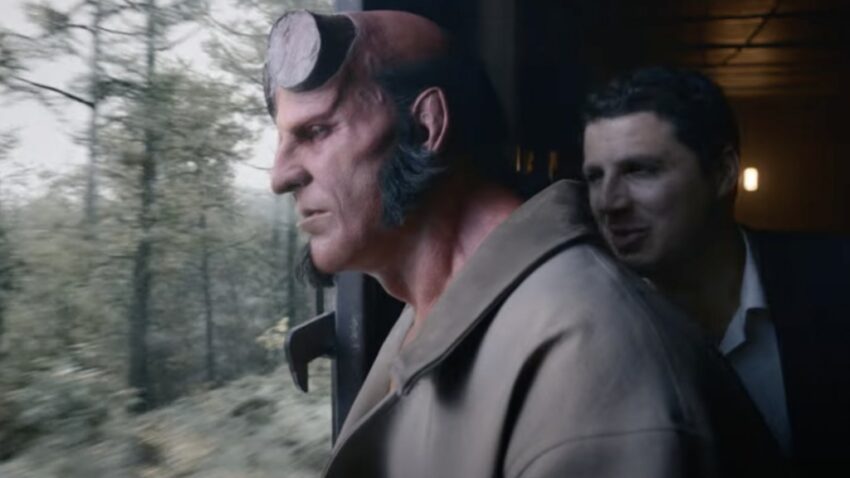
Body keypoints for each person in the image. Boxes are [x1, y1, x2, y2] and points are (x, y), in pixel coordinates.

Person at [265, 12, 784, 477]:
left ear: (425, 127)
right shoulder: (433, 310)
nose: (280, 176)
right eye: (284, 138)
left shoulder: (590, 360)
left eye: (316, 132)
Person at [582, 66, 850, 475]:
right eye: (595, 177)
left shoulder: (834, 283)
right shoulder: (591, 327)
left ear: (724, 172)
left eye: (640, 170)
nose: (609, 202)